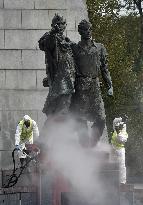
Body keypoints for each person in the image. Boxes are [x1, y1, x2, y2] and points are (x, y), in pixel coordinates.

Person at [70, 19, 113, 147]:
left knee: (101, 118)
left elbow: (105, 68)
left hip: (95, 86)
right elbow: (66, 67)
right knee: (80, 119)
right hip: (80, 87)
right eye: (84, 30)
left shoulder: (99, 48)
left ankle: (92, 144)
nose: (87, 32)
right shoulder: (75, 49)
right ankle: (84, 147)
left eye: (89, 29)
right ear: (80, 31)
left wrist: (109, 85)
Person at [38, 14, 75, 119]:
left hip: (70, 78)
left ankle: (58, 129)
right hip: (59, 79)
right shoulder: (49, 37)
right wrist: (52, 33)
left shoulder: (67, 41)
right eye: (57, 24)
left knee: (65, 106)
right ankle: (55, 130)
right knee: (59, 107)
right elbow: (44, 45)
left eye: (63, 24)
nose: (60, 26)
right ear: (52, 25)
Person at [111, 117, 128, 184]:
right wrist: (122, 119)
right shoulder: (116, 128)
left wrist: (118, 132)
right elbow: (114, 120)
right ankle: (112, 181)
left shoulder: (124, 134)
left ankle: (122, 182)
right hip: (113, 148)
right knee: (112, 164)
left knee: (121, 166)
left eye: (119, 127)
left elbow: (121, 140)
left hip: (120, 150)